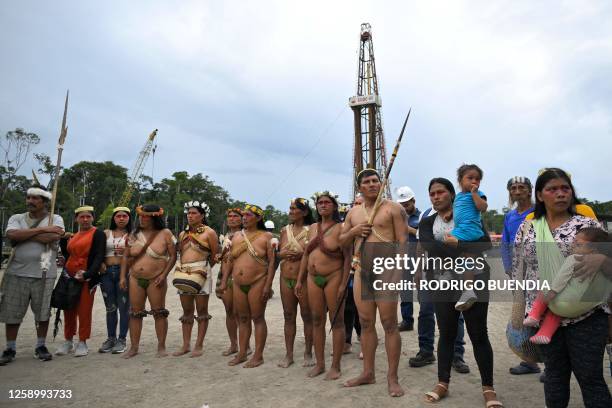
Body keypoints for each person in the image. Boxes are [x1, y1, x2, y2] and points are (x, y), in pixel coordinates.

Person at [512, 168, 611, 407]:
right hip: (544, 314)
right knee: (555, 378)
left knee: (590, 378)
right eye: (552, 189)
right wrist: (518, 311)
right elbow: (519, 271)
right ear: (540, 195)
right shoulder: (528, 228)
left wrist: (604, 259)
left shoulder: (588, 226)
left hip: (586, 315)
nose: (560, 194)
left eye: (565, 188)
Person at [418, 178, 501, 407]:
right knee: (446, 332)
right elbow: (430, 248)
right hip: (442, 280)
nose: (436, 197)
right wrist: (462, 250)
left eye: (440, 192)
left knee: (478, 333)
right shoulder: (427, 223)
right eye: (432, 193)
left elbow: (484, 244)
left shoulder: (469, 214)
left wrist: (456, 249)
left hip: (474, 279)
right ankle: (442, 383)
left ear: (452, 194)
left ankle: (488, 388)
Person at [340, 169, 407, 397]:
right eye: (366, 182)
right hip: (362, 272)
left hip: (387, 271)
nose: (372, 184)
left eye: (375, 181)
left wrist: (398, 273)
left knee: (389, 324)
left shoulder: (393, 208)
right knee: (366, 322)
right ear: (360, 187)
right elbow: (340, 240)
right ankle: (368, 372)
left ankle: (392, 378)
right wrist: (355, 231)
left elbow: (402, 242)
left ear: (381, 183)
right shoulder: (353, 213)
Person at [0, 185, 64, 365]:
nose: (30, 201)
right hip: (15, 272)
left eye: (35, 198)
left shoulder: (55, 218)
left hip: (44, 273)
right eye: (29, 197)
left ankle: (40, 346)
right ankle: (10, 348)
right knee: (12, 312)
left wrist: (22, 236)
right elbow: (11, 235)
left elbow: (52, 237)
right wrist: (42, 230)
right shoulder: (16, 217)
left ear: (44, 202)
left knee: (43, 313)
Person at [524, 227, 611, 344]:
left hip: (563, 303)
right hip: (581, 308)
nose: (572, 246)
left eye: (578, 244)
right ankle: (544, 334)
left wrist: (552, 292)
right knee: (559, 308)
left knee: (549, 287)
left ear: (593, 249)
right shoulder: (604, 269)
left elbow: (561, 278)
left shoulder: (574, 258)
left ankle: (534, 315)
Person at [295, 191, 348, 379]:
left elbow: (348, 257)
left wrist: (343, 283)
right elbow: (306, 255)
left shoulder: (341, 227)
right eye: (320, 202)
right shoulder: (312, 228)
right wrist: (300, 279)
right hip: (312, 278)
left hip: (333, 276)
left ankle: (336, 366)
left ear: (334, 206)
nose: (323, 205)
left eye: (327, 202)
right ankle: (320, 364)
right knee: (316, 319)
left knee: (337, 321)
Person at [220, 204, 275, 368]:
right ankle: (242, 353)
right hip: (237, 283)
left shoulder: (266, 236)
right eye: (243, 215)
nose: (244, 217)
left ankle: (258, 355)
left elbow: (272, 263)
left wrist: (268, 285)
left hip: (257, 281)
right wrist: (224, 280)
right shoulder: (236, 236)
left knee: (257, 318)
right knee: (242, 318)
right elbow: (230, 259)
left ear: (258, 218)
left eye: (248, 215)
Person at [119, 204, 177, 358]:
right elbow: (125, 256)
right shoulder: (134, 234)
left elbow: (173, 256)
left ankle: (161, 346)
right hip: (135, 278)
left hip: (156, 279)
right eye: (141, 216)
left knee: (159, 312)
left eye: (146, 216)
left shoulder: (165, 233)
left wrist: (164, 275)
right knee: (135, 313)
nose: (142, 219)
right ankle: (134, 347)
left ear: (155, 218)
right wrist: (122, 277)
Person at [501, 176, 542, 376]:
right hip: (518, 273)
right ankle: (529, 361)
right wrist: (509, 267)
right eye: (513, 188)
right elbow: (505, 243)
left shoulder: (539, 212)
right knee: (522, 316)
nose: (517, 191)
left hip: (538, 271)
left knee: (542, 315)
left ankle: (552, 366)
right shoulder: (509, 216)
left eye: (521, 187)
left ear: (529, 190)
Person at [55, 206, 106, 357]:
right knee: (68, 308)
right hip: (69, 275)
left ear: (92, 218)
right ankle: (68, 340)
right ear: (76, 218)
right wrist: (64, 242)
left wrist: (89, 274)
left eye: (88, 217)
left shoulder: (98, 233)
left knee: (84, 309)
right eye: (81, 217)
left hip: (86, 276)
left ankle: (82, 341)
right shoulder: (74, 235)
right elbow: (67, 254)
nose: (85, 220)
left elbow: (99, 256)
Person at [173, 200, 218, 357]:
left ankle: (199, 345)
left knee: (202, 310)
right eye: (188, 213)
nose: (190, 216)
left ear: (202, 216)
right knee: (186, 310)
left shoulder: (209, 233)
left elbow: (214, 256)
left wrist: (203, 270)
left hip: (202, 272)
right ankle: (185, 345)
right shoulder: (182, 234)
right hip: (184, 272)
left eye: (194, 213)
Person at [444, 164, 488, 311]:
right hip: (461, 228)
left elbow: (483, 207)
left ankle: (468, 289)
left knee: (461, 251)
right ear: (460, 180)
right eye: (470, 178)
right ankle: (464, 286)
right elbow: (457, 209)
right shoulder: (458, 197)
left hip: (470, 229)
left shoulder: (477, 193)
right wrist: (450, 214)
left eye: (477, 179)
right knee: (464, 255)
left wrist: (475, 194)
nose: (474, 181)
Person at [277, 197, 314, 368]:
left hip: (304, 279)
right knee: (288, 316)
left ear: (304, 212)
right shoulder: (285, 230)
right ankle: (289, 354)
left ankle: (308, 352)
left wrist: (302, 255)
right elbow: (277, 254)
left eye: (294, 209)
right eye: (290, 208)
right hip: (286, 278)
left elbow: (315, 254)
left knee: (307, 316)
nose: (291, 211)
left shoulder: (311, 230)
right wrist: (281, 255)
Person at [98, 206, 132, 354]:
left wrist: (127, 252)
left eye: (124, 216)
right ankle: (110, 338)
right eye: (118, 216)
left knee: (124, 307)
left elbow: (138, 254)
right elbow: (97, 251)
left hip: (124, 272)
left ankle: (122, 339)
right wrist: (100, 263)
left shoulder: (133, 235)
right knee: (110, 307)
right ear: (114, 218)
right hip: (106, 273)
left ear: (129, 218)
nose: (121, 218)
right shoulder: (106, 233)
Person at [215, 208, 243, 356]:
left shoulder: (244, 235)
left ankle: (245, 345)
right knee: (229, 311)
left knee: (240, 312)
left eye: (235, 216)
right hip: (224, 274)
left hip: (238, 275)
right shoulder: (225, 236)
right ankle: (234, 344)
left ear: (242, 219)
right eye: (230, 216)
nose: (232, 219)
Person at [396, 186, 420, 331]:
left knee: (423, 292)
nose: (405, 207)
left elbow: (423, 235)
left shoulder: (422, 216)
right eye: (402, 205)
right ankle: (407, 321)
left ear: (413, 201)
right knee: (405, 292)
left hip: (418, 258)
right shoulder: (398, 217)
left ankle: (426, 318)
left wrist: (407, 228)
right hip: (403, 258)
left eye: (407, 204)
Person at [344, 195, 363, 355]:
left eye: (359, 203)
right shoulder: (348, 223)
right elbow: (341, 242)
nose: (356, 206)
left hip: (368, 270)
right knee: (348, 307)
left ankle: (364, 338)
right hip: (349, 270)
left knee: (363, 309)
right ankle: (346, 341)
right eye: (355, 203)